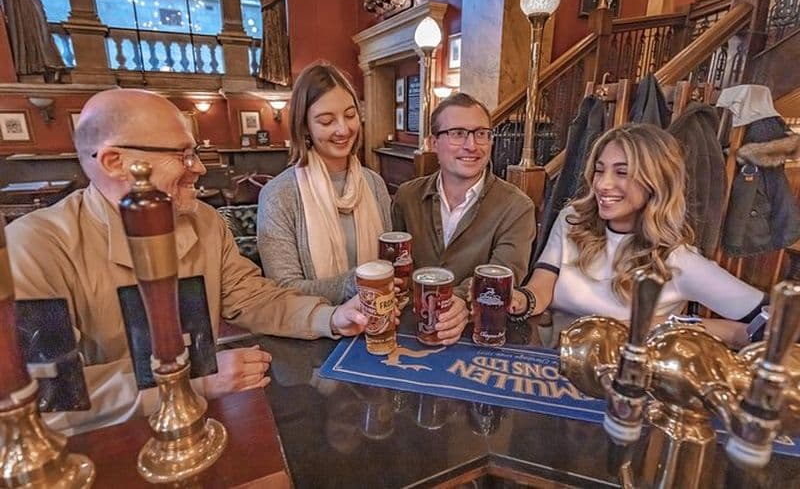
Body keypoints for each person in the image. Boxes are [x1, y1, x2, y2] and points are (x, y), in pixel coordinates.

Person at [6, 88, 372, 435]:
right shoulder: (37, 246)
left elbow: (251, 297)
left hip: (205, 426)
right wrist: (193, 379)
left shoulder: (204, 221)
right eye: (182, 155)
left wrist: (330, 318)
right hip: (109, 446)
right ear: (115, 161)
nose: (197, 168)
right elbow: (51, 392)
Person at [511, 123, 766, 347]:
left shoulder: (679, 260)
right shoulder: (573, 219)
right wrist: (520, 300)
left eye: (622, 172)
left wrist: (664, 324)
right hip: (551, 361)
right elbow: (542, 285)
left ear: (656, 181)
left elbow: (770, 324)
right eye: (600, 170)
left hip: (619, 381)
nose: (602, 184)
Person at [392, 92, 536, 337]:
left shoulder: (517, 206)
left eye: (481, 134)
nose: (472, 145)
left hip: (479, 333)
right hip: (411, 328)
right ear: (434, 142)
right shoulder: (407, 196)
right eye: (458, 133)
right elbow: (398, 267)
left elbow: (502, 275)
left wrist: (459, 302)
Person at [257, 62, 391, 306]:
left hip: (377, 321)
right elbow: (284, 289)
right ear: (304, 126)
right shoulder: (279, 195)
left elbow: (389, 260)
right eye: (327, 121)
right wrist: (358, 282)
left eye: (350, 115)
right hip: (314, 334)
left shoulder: (374, 184)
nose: (343, 129)